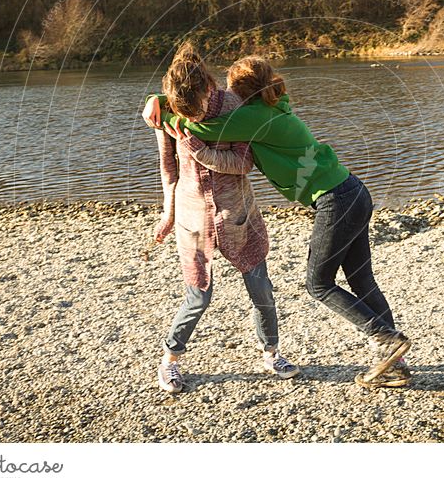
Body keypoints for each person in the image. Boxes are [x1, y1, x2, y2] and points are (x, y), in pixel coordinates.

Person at [144, 55, 411, 388]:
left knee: (318, 285)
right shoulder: (270, 108)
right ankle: (395, 363)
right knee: (361, 280)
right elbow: (174, 159)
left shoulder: (251, 117)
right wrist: (157, 103)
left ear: (243, 92)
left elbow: (206, 132)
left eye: (232, 88)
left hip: (329, 200)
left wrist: (164, 116)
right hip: (352, 191)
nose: (228, 94)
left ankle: (382, 340)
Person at [151, 45, 299, 394]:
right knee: (198, 295)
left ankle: (272, 352)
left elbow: (243, 164)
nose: (193, 116)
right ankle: (170, 361)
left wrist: (201, 152)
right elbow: (168, 169)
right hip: (192, 217)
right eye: (184, 110)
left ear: (208, 86)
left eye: (197, 107)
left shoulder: (236, 109)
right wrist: (167, 214)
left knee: (260, 288)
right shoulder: (169, 113)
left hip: (237, 214)